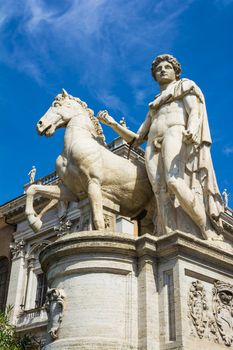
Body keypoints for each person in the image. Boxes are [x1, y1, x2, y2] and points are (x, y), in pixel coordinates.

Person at [98, 54, 223, 239]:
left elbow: (195, 111)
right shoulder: (154, 105)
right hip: (152, 143)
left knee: (173, 181)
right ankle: (167, 233)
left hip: (176, 132)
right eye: (158, 69)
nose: (162, 70)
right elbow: (137, 138)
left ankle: (206, 229)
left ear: (176, 71)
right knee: (159, 193)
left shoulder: (184, 87)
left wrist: (193, 129)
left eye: (167, 67)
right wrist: (112, 124)